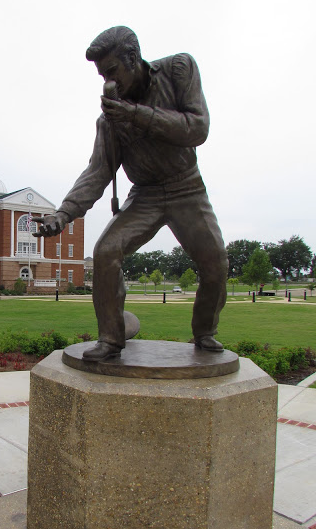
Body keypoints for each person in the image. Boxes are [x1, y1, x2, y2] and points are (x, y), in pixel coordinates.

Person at [34, 26, 228, 361]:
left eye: (111, 70)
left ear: (133, 58)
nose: (107, 80)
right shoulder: (109, 119)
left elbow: (197, 128)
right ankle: (111, 336)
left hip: (187, 188)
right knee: (106, 250)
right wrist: (63, 214)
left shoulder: (179, 70)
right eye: (102, 74)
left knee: (216, 264)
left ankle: (205, 332)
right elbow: (98, 172)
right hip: (145, 196)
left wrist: (135, 115)